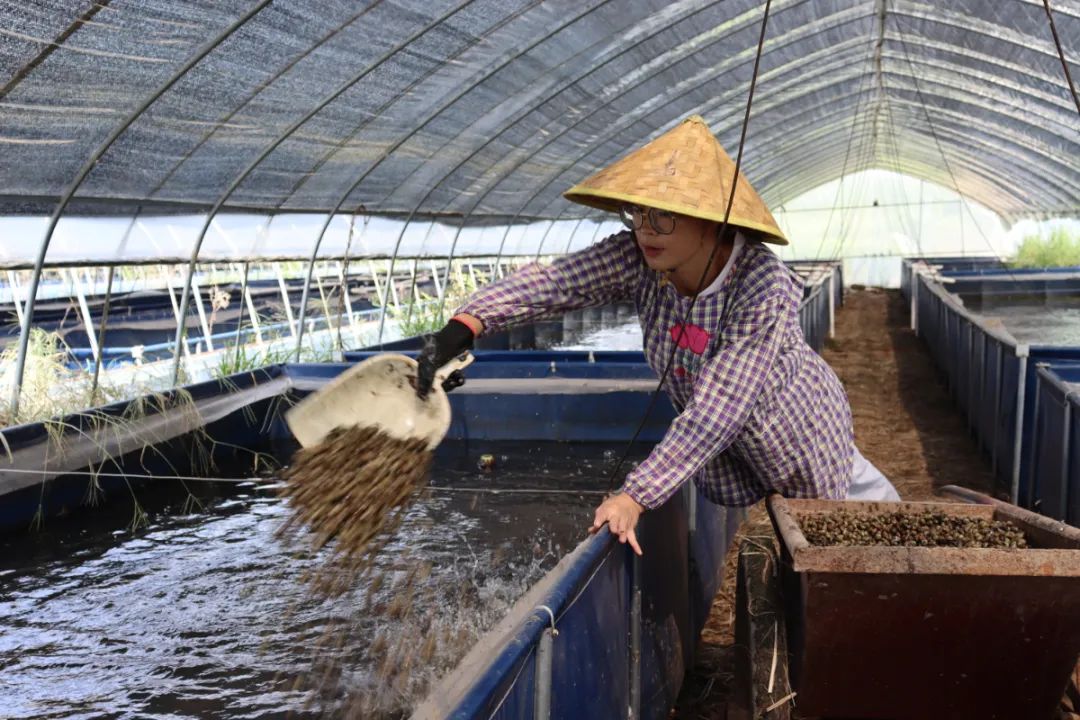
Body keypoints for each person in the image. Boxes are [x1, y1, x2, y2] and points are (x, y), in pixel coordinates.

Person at [415, 115, 899, 555]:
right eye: (638, 213)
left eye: (664, 215)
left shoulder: (760, 287)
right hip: (735, 448)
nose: (647, 229)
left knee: (834, 535)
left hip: (797, 427)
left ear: (714, 222)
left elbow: (720, 406)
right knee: (788, 527)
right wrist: (468, 323)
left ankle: (896, 552)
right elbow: (559, 282)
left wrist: (635, 495)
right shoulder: (641, 258)